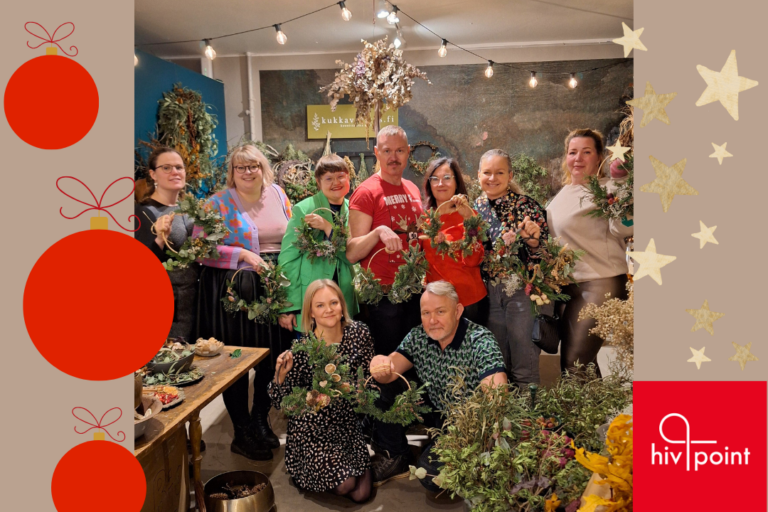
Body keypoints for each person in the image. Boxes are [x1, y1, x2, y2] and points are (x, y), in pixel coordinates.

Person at [194, 144, 292, 460]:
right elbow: (200, 249)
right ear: (232, 173)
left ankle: (260, 421)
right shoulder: (216, 203)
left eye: (253, 166)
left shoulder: (278, 194)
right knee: (237, 360)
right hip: (237, 292)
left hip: (274, 288)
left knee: (271, 355)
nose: (248, 172)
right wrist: (244, 254)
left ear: (264, 168)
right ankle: (241, 431)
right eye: (241, 167)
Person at [369, 281, 507, 490]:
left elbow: (496, 397)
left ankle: (462, 457)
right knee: (380, 389)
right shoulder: (418, 336)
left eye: (440, 311)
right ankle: (396, 455)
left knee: (431, 476)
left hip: (467, 423)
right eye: (426, 313)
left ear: (458, 310)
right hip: (434, 411)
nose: (432, 320)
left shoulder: (481, 340)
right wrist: (379, 363)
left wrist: (482, 436)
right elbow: (389, 370)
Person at [346, 125, 425, 482]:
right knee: (383, 372)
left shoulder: (410, 188)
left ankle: (402, 441)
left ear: (409, 153)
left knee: (407, 368)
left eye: (400, 151)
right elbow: (351, 251)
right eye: (386, 151)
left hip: (411, 294)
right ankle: (391, 450)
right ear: (376, 153)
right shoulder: (366, 193)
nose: (394, 157)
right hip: (381, 297)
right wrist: (378, 233)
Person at [268, 279, 374, 502]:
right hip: (312, 429)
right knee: (346, 486)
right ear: (311, 312)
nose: (328, 310)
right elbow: (282, 402)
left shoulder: (359, 333)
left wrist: (353, 390)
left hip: (346, 425)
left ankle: (344, 468)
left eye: (333, 302)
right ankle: (304, 468)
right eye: (320, 305)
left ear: (342, 305)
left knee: (362, 494)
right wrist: (281, 374)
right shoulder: (302, 348)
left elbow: (370, 381)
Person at [546, 129, 633, 375]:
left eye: (586, 152)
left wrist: (621, 203)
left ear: (599, 158)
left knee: (575, 365)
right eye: (573, 152)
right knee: (585, 364)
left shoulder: (611, 188)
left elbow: (625, 228)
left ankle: (575, 413)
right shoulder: (563, 194)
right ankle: (595, 414)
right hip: (569, 288)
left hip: (600, 283)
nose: (578, 158)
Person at [474, 149, 549, 386]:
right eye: (487, 172)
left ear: (510, 175)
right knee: (497, 365)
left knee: (524, 362)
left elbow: (545, 253)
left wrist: (533, 241)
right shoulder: (473, 209)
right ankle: (504, 420)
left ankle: (527, 420)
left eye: (499, 172)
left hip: (520, 292)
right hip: (486, 293)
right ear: (478, 175)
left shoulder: (526, 206)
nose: (492, 178)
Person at [278, 155, 358, 335]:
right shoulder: (304, 209)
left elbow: (352, 256)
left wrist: (328, 228)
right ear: (318, 182)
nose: (335, 182)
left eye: (340, 177)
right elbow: (287, 259)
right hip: (311, 301)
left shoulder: (354, 210)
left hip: (343, 299)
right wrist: (288, 306)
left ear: (348, 179)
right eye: (329, 178)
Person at [134, 146, 198, 341]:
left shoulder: (192, 210)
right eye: (166, 168)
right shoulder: (141, 213)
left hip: (197, 302)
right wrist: (160, 239)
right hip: (167, 308)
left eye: (179, 167)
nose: (175, 172)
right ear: (153, 174)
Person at [421, 157, 487, 324]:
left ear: (457, 182)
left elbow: (473, 260)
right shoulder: (425, 221)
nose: (440, 183)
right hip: (437, 305)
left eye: (447, 178)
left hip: (468, 302)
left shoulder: (469, 215)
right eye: (434, 179)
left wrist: (467, 221)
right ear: (429, 184)